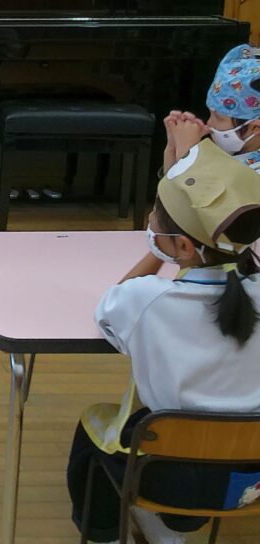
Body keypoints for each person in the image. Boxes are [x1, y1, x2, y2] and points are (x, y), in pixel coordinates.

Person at [67, 141, 260, 544]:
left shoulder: (146, 300)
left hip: (164, 474)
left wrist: (155, 255)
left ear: (184, 247)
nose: (150, 223)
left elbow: (111, 306)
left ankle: (104, 535)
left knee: (94, 429)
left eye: (155, 218)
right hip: (248, 477)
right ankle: (173, 530)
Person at [163, 44, 260, 174]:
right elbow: (168, 187)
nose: (209, 123)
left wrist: (186, 154)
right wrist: (172, 148)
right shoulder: (230, 157)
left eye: (219, 118)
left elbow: (200, 187)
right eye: (210, 114)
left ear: (255, 128)